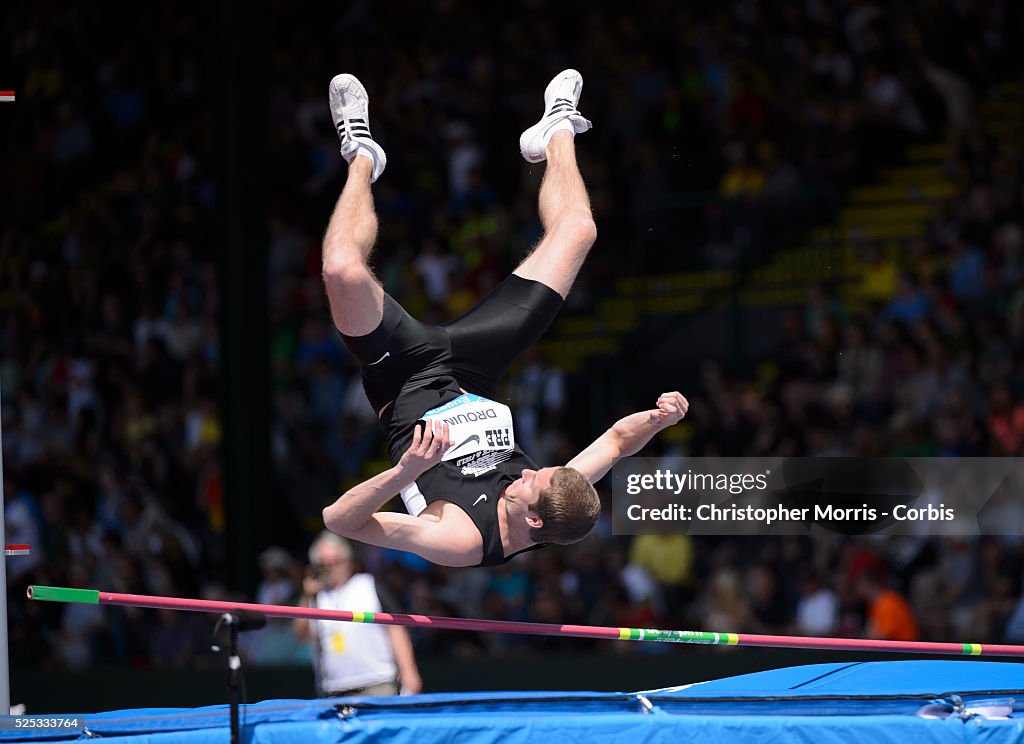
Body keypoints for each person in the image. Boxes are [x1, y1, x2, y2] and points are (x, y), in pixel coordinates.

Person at [320, 69, 689, 568]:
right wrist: (661, 418)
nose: (527, 471)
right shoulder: (557, 497)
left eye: (529, 483)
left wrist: (409, 469)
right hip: (473, 370)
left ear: (531, 522)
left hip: (402, 377)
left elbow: (339, 520)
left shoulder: (461, 539)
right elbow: (620, 442)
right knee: (579, 230)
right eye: (542, 471)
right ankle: (556, 129)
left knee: (342, 268)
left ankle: (362, 155)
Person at [294, 532, 421, 697]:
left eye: (335, 562)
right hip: (333, 689)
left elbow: (395, 628)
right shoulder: (315, 597)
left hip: (377, 683)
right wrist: (306, 596)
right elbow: (300, 635)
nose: (331, 568)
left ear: (348, 562)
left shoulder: (368, 585)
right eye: (324, 564)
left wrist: (408, 671)